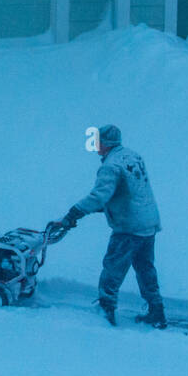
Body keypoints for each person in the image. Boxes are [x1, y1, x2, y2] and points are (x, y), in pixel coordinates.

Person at [62, 125, 166, 328]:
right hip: (148, 222)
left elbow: (99, 196)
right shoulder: (132, 156)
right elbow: (129, 191)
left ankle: (106, 310)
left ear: (105, 143)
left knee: (113, 268)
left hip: (129, 226)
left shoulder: (110, 166)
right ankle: (156, 312)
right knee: (145, 268)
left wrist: (74, 212)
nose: (95, 145)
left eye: (97, 141)